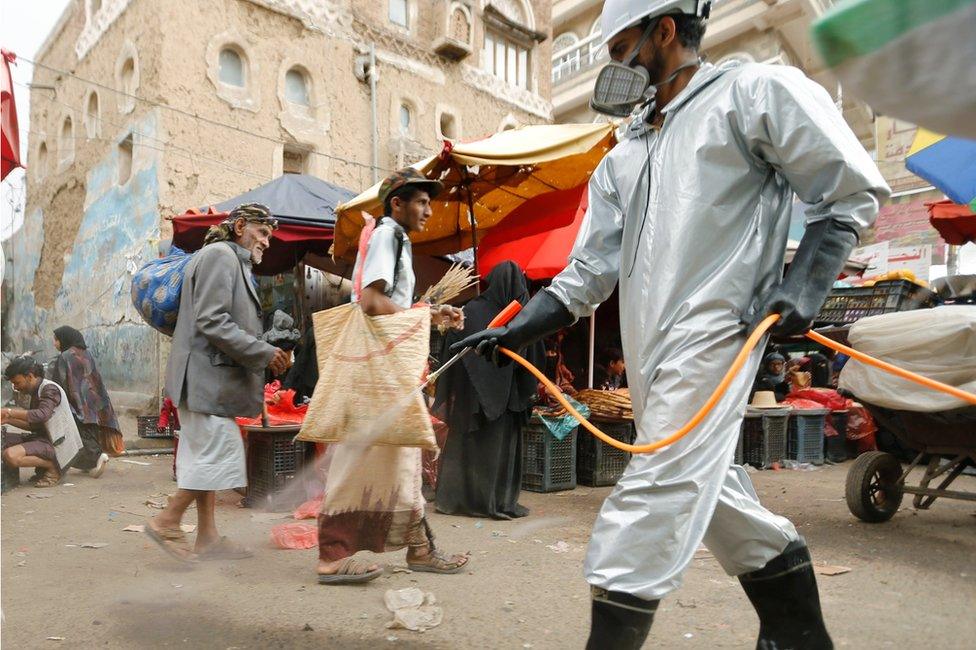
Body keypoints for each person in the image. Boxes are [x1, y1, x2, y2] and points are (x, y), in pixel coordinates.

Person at [454, 1, 889, 647]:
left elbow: (846, 192)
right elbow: (587, 272)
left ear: (664, 31)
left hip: (721, 332)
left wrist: (803, 285)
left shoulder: (754, 91)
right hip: (651, 353)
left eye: (620, 48)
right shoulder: (621, 158)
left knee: (655, 487)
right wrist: (519, 328)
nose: (614, 69)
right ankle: (797, 633)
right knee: (713, 495)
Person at [316, 168, 468, 585]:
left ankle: (420, 548)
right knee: (361, 456)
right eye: (420, 201)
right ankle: (331, 556)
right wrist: (422, 315)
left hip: (388, 367)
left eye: (428, 201)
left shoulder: (395, 239)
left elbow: (388, 302)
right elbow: (370, 300)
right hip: (379, 370)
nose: (428, 209)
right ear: (396, 204)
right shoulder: (389, 234)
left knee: (401, 455)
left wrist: (429, 312)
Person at [146, 203, 290, 562]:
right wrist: (263, 353)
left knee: (202, 460)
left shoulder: (228, 259)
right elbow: (213, 321)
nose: (267, 242)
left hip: (205, 379)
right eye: (262, 232)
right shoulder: (220, 256)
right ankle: (167, 519)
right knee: (219, 454)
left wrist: (263, 349)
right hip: (204, 379)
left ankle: (207, 538)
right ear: (240, 226)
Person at [433, 261, 543, 520]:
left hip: (470, 401)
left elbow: (451, 346)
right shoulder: (522, 317)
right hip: (507, 402)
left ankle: (457, 500)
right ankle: (495, 502)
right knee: (498, 452)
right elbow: (535, 357)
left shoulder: (471, 309)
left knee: (467, 448)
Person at [2, 356, 83, 487]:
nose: (15, 388)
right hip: (42, 439)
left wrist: (9, 411)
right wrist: (8, 419)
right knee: (2, 442)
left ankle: (54, 466)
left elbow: (41, 415)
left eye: (17, 383)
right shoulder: (36, 391)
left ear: (29, 376)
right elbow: (35, 424)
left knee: (10, 455)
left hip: (57, 444)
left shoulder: (50, 389)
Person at [51, 325, 122, 476]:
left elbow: (59, 382)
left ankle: (95, 458)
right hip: (93, 400)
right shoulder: (87, 354)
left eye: (56, 340)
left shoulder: (65, 356)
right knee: (91, 430)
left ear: (64, 339)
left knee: (79, 432)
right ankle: (91, 463)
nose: (54, 343)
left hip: (77, 402)